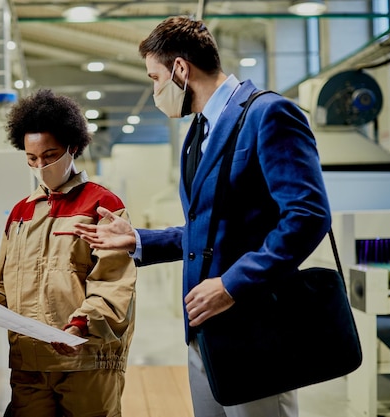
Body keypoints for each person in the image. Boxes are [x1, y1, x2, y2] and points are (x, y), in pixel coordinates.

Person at [73, 16, 331, 417]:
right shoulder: (198, 132)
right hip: (204, 332)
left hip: (256, 326)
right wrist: (138, 240)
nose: (155, 89)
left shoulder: (269, 114)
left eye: (155, 77)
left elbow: (308, 216)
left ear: (180, 69)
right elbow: (208, 228)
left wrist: (230, 285)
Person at [0, 89, 137, 417]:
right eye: (32, 158)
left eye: (50, 155)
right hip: (29, 364)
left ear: (72, 148)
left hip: (85, 362)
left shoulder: (103, 206)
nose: (41, 166)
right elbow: (1, 286)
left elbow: (113, 286)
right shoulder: (20, 213)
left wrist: (80, 324)